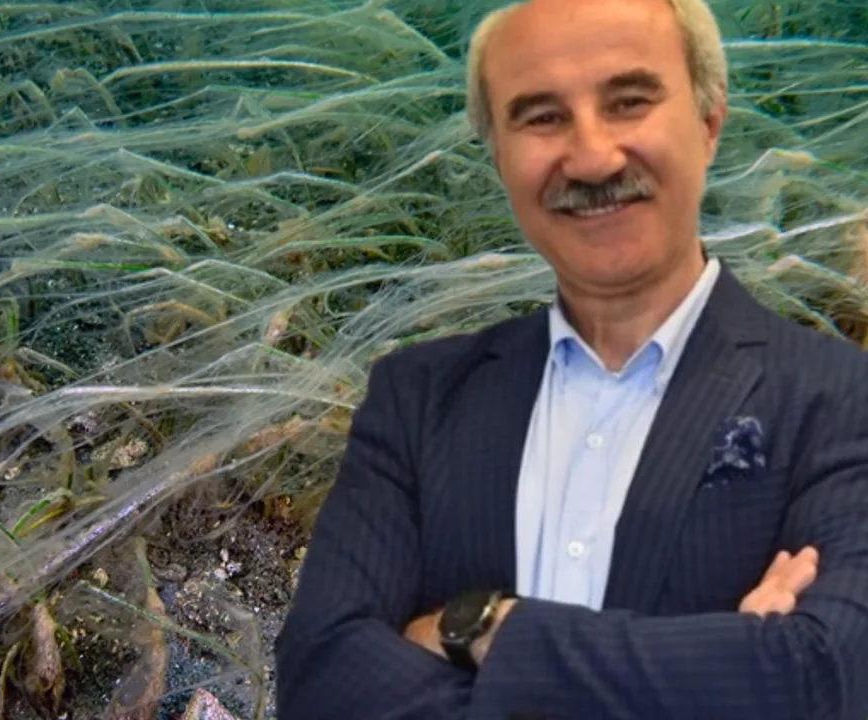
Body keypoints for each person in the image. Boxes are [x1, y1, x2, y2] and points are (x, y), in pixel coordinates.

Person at [273, 0, 868, 718]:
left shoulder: (842, 399)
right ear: (498, 155)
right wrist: (721, 673)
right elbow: (322, 678)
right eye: (542, 117)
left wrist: (484, 628)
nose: (591, 158)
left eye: (629, 102)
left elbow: (830, 676)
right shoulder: (417, 400)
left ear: (710, 122)